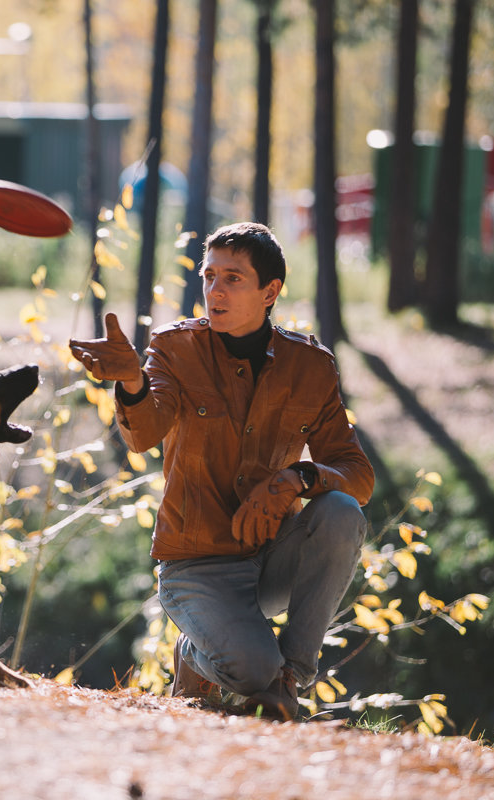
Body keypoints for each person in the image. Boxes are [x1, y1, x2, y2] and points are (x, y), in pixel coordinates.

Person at [69, 221, 374, 720]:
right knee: (251, 671)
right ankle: (196, 657)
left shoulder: (311, 366)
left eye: (232, 278)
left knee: (340, 511)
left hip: (270, 554)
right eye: (209, 277)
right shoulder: (174, 349)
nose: (214, 290)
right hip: (195, 567)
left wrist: (296, 479)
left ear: (270, 291)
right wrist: (129, 381)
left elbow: (357, 474)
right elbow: (143, 434)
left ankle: (289, 679)